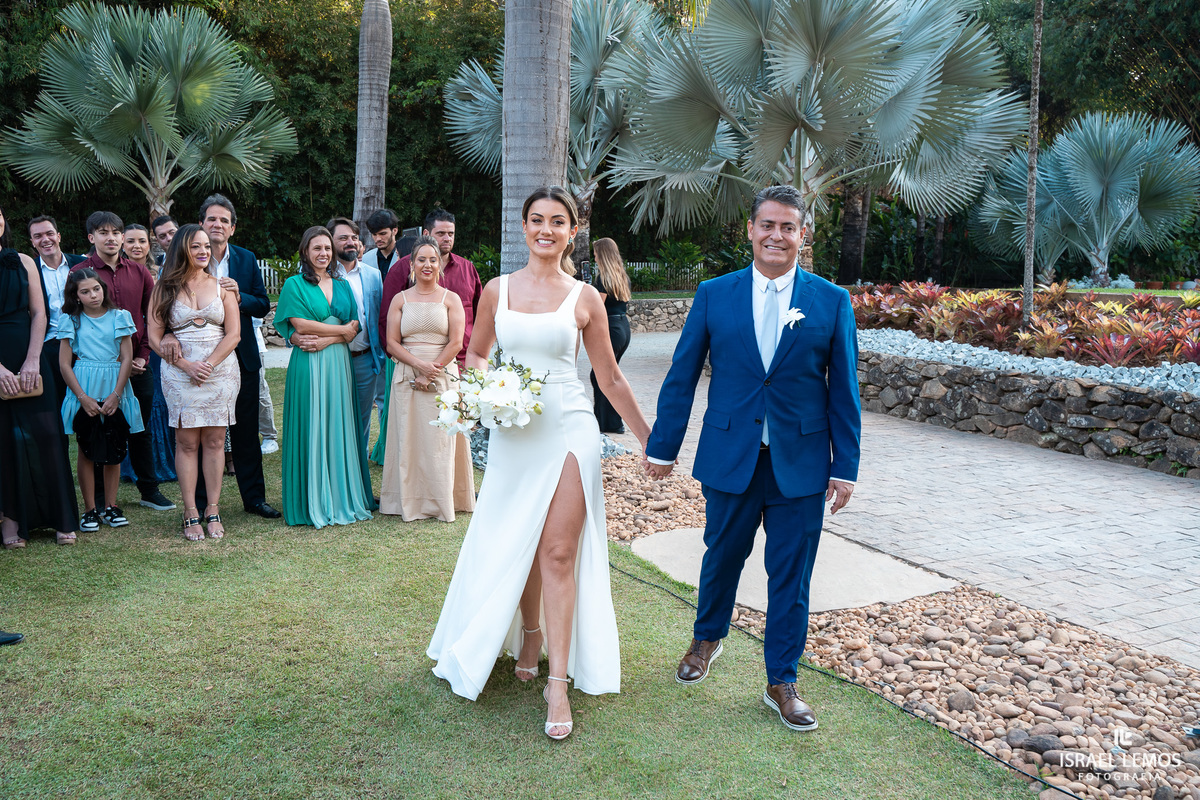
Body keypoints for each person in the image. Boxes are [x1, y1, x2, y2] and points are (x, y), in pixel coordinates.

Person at [427, 187, 651, 741]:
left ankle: (557, 680)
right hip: (513, 432)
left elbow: (609, 377)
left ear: (572, 232)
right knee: (520, 541)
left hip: (570, 431)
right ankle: (529, 632)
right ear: (523, 228)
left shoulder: (586, 298)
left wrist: (651, 438)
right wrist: (486, 392)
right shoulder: (496, 292)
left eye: (557, 222)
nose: (545, 230)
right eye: (536, 220)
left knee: (557, 549)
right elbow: (475, 353)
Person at [643, 184, 861, 733]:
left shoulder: (831, 300)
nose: (776, 235)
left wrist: (845, 465)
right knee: (721, 555)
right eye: (767, 225)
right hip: (731, 453)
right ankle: (706, 638)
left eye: (788, 227)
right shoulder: (714, 293)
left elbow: (845, 389)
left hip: (803, 463)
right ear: (750, 229)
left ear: (801, 235)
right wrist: (663, 445)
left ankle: (782, 681)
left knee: (792, 573)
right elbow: (682, 374)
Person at [159, 195, 278, 519]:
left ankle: (254, 499)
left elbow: (263, 304)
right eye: (212, 219)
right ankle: (197, 506)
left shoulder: (245, 258)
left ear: (232, 228)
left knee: (245, 433)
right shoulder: (180, 265)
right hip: (193, 365)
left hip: (240, 359)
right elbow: (163, 311)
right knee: (198, 433)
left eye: (224, 220)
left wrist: (239, 295)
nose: (217, 225)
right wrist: (170, 333)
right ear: (201, 224)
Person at [72, 211, 176, 512]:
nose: (111, 237)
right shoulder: (80, 273)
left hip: (138, 366)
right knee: (97, 430)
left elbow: (153, 317)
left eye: (115, 231)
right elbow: (74, 324)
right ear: (92, 237)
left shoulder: (140, 272)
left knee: (139, 428)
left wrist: (143, 355)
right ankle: (102, 500)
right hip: (98, 371)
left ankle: (149, 489)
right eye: (103, 232)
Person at [273, 226, 375, 528]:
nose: (323, 253)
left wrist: (332, 339)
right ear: (306, 251)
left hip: (337, 363)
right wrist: (341, 332)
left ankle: (341, 494)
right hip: (308, 363)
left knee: (337, 423)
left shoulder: (342, 285)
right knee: (311, 424)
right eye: (317, 248)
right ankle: (311, 498)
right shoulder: (294, 284)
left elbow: (354, 323)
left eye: (327, 248)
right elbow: (299, 324)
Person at [149, 224, 241, 541]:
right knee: (186, 443)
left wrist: (208, 365)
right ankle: (190, 511)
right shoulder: (163, 289)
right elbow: (153, 336)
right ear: (180, 250)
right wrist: (187, 365)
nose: (203, 251)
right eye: (195, 246)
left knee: (215, 441)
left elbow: (234, 334)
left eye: (206, 246)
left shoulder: (222, 287)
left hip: (219, 372)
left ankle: (212, 510)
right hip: (179, 373)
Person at [0, 204, 79, 549]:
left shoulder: (23, 260)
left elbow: (39, 313)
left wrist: (32, 360)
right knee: (4, 442)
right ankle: (11, 523)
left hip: (29, 353)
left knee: (48, 434)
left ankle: (61, 518)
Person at [379, 235, 474, 521]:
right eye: (421, 259)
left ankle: (445, 499)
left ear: (440, 264)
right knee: (408, 437)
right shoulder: (400, 299)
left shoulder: (451, 299)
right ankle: (407, 501)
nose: (428, 265)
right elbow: (392, 342)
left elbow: (456, 342)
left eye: (433, 259)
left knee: (441, 441)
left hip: (443, 376)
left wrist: (432, 369)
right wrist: (419, 366)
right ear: (411, 264)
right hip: (407, 374)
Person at [57, 268, 144, 536]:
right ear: (76, 295)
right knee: (86, 448)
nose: (93, 295)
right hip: (84, 385)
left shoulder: (120, 317)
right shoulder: (71, 320)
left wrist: (117, 394)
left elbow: (127, 358)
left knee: (114, 444)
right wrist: (82, 398)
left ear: (103, 289)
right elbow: (64, 363)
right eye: (85, 291)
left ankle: (111, 505)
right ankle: (89, 509)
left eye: (96, 289)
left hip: (114, 384)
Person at [379, 209, 482, 367]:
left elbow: (480, 318)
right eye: (441, 233)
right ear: (426, 233)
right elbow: (386, 319)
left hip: (462, 362)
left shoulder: (467, 269)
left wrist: (477, 357)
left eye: (451, 233)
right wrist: (400, 361)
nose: (447, 238)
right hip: (412, 364)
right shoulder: (401, 269)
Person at [327, 216, 385, 459]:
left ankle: (358, 480)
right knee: (332, 418)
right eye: (343, 238)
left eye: (354, 238)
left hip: (363, 360)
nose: (350, 242)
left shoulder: (373, 275)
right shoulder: (321, 274)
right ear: (330, 241)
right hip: (330, 358)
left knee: (361, 422)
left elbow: (379, 314)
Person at [369, 232, 416, 467]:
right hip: (398, 349)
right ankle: (390, 449)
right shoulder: (401, 271)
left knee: (390, 403)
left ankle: (390, 448)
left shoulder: (397, 269)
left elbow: (384, 316)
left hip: (395, 348)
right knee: (392, 402)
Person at [28, 215, 86, 409]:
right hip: (49, 344)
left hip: (86, 342)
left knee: (90, 404)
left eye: (49, 233)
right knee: (55, 407)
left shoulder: (81, 264)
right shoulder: (28, 270)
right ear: (32, 242)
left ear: (58, 236)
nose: (45, 239)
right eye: (38, 236)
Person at [588, 238, 633, 434]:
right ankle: (607, 421)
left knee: (601, 376)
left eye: (596, 253)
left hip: (611, 328)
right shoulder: (621, 276)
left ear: (602, 254)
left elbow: (596, 307)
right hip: (623, 326)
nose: (594, 257)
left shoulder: (602, 279)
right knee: (608, 376)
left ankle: (610, 423)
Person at [362, 208, 401, 280]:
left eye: (383, 234)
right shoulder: (366, 259)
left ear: (394, 231)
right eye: (374, 234)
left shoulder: (405, 256)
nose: (378, 238)